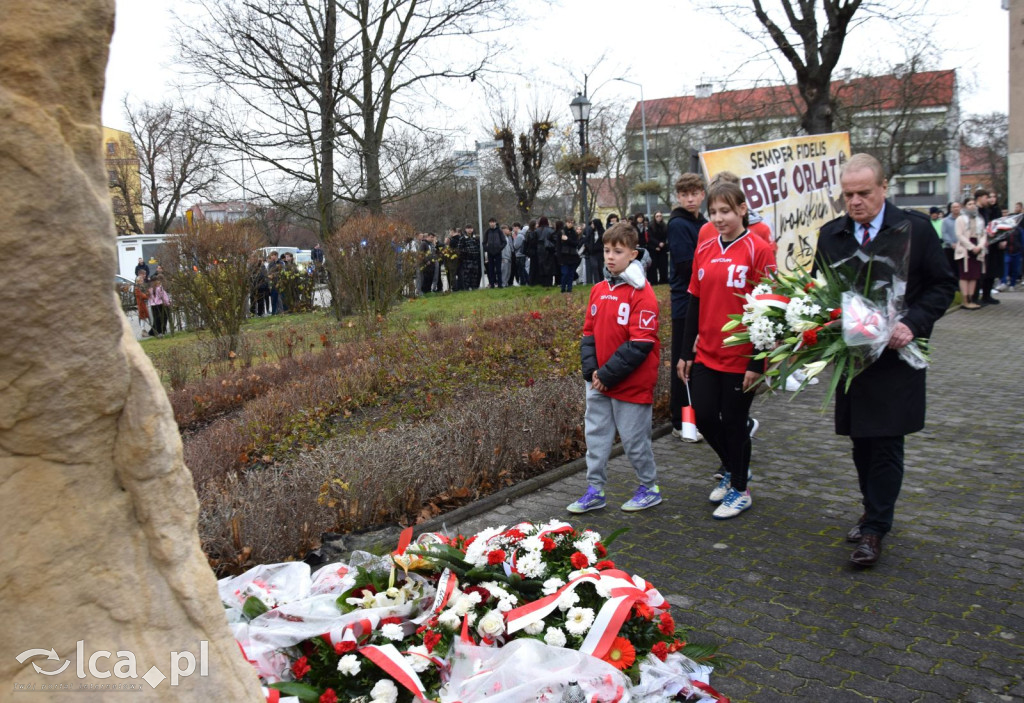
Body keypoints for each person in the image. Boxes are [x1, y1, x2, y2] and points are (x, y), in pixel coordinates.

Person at [814, 153, 956, 567]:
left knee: (888, 444)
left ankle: (876, 529)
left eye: (863, 193)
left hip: (897, 357)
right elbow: (820, 293)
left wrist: (913, 322)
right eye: (848, 195)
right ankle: (871, 509)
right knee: (862, 443)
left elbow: (942, 286)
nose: (855, 202)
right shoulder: (832, 235)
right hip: (854, 361)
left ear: (883, 187)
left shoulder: (914, 229)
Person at [679, 179, 776, 520]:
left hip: (741, 356)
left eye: (726, 211)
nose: (718, 218)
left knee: (733, 422)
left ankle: (739, 488)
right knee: (704, 416)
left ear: (742, 210)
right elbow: (694, 302)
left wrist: (758, 360)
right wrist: (686, 353)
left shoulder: (759, 249)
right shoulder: (704, 249)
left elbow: (772, 309)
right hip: (706, 352)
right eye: (713, 212)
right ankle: (738, 468)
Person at [568, 221, 663, 514]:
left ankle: (650, 487)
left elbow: (641, 343)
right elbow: (589, 333)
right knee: (596, 438)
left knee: (635, 442)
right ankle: (595, 490)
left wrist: (607, 375)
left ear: (633, 254)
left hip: (630, 384)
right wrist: (592, 372)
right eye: (607, 250)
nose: (610, 256)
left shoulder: (642, 293)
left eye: (618, 251)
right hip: (598, 381)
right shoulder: (598, 290)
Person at [665, 173, 707, 443]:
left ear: (702, 194)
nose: (690, 199)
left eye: (695, 193)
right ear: (678, 197)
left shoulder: (703, 222)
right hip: (685, 301)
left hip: (705, 299)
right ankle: (680, 421)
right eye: (685, 194)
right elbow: (685, 264)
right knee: (682, 360)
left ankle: (697, 415)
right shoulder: (679, 224)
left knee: (698, 359)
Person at [954, 198, 987, 310]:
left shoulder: (979, 219)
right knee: (965, 276)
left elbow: (983, 235)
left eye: (973, 204)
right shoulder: (960, 219)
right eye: (969, 204)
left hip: (977, 248)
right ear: (965, 206)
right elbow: (959, 235)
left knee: (974, 276)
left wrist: (980, 246)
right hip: (965, 249)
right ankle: (965, 300)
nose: (972, 206)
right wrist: (971, 247)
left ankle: (971, 299)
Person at [555, 219, 580, 293]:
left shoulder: (574, 233)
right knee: (565, 273)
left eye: (572, 222)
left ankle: (569, 288)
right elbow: (558, 245)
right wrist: (559, 257)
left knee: (571, 273)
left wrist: (567, 239)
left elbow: (576, 243)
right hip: (564, 256)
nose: (570, 224)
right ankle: (563, 288)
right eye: (569, 222)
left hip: (572, 256)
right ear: (566, 223)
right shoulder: (561, 232)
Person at [940, 201, 961, 276]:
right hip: (949, 248)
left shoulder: (964, 219)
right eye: (954, 207)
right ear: (951, 209)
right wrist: (951, 243)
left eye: (957, 207)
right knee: (951, 269)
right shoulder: (945, 221)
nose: (956, 209)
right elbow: (944, 233)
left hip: (962, 248)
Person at [533, 216, 556, 287]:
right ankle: (549, 282)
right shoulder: (551, 230)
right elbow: (554, 241)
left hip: (539, 249)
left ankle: (542, 282)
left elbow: (534, 241)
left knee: (541, 266)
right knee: (549, 266)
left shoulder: (536, 231)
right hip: (549, 249)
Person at [483, 218, 505, 288]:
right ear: (489, 223)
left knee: (498, 269)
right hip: (490, 253)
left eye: (493, 222)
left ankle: (500, 284)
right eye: (490, 222)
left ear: (495, 223)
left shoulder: (499, 231)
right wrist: (487, 249)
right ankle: (492, 284)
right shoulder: (487, 231)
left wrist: (500, 248)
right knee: (491, 269)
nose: (492, 223)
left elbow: (504, 242)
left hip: (498, 253)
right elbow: (484, 242)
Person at [648, 211, 669, 284]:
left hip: (663, 248)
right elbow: (650, 237)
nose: (659, 217)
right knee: (653, 266)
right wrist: (657, 244)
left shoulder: (665, 225)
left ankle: (663, 280)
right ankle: (654, 281)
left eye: (660, 216)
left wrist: (663, 243)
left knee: (663, 265)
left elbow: (666, 236)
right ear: (654, 217)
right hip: (653, 248)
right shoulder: (651, 226)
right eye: (657, 216)